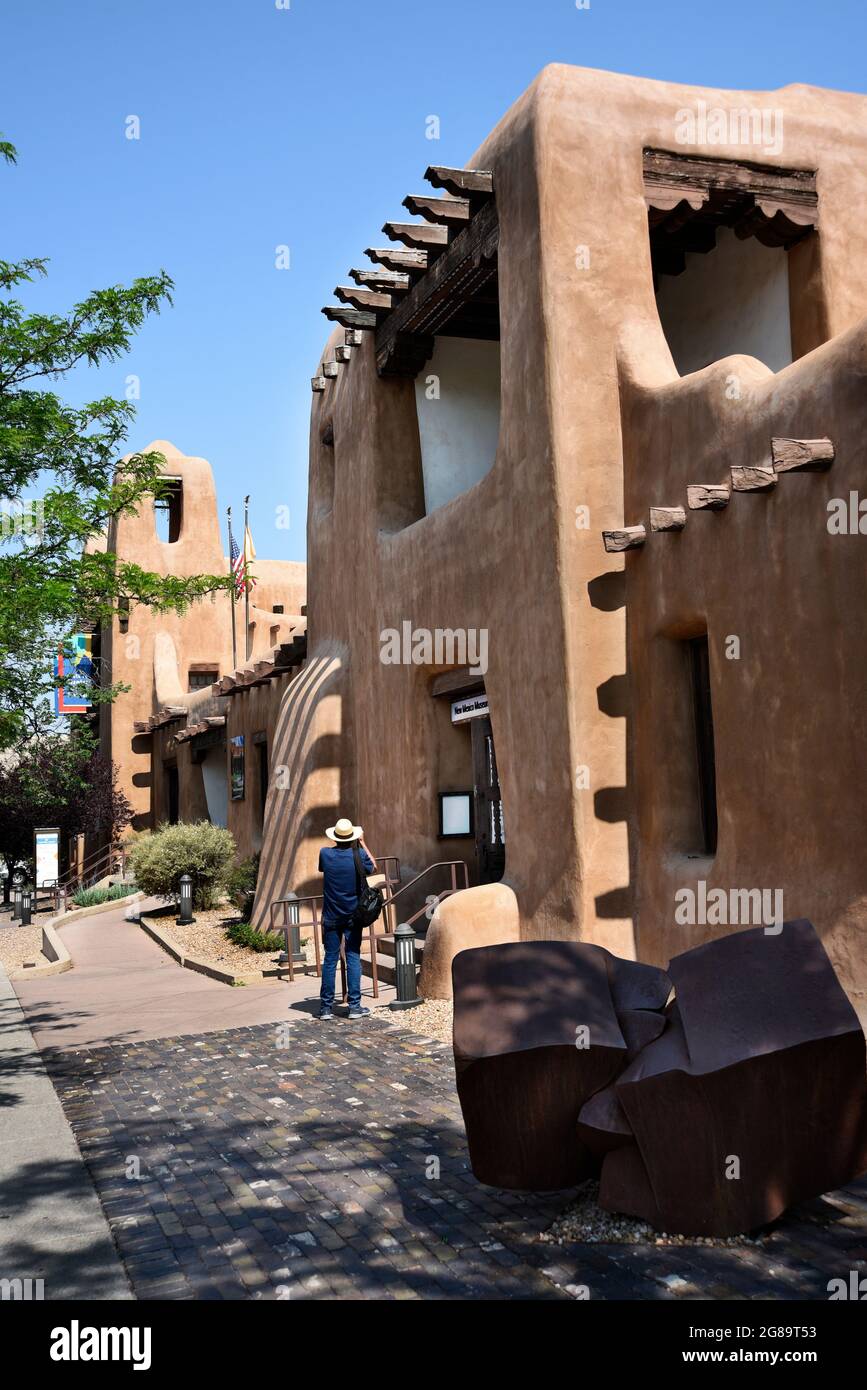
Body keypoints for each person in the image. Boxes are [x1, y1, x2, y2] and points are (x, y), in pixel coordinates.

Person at [317, 817, 378, 1021]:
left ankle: (326, 1008)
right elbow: (374, 867)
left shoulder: (325, 854)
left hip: (331, 915)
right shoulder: (359, 854)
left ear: (335, 837)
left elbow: (325, 870)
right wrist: (362, 842)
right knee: (352, 956)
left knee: (330, 959)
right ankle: (354, 1007)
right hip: (353, 915)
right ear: (352, 837)